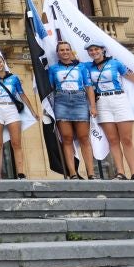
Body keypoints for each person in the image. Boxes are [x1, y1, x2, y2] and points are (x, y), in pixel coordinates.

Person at [85, 40, 134, 181]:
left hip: (119, 100)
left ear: (102, 50)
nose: (94, 52)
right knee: (113, 140)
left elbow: (131, 77)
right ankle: (120, 172)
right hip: (102, 103)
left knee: (126, 139)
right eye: (90, 50)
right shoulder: (87, 67)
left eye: (96, 49)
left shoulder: (115, 63)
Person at [48, 41, 96, 180]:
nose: (64, 52)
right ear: (58, 53)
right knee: (67, 138)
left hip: (80, 100)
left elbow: (88, 86)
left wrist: (92, 106)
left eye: (67, 49)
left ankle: (91, 173)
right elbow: (50, 88)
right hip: (61, 101)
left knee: (84, 138)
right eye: (61, 50)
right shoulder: (53, 69)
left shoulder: (81, 67)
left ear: (71, 51)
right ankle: (73, 173)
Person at [0, 54, 39, 179]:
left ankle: (20, 173)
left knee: (16, 143)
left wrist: (33, 111)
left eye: (0, 62)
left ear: (3, 63)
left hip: (11, 110)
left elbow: (22, 95)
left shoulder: (14, 78)